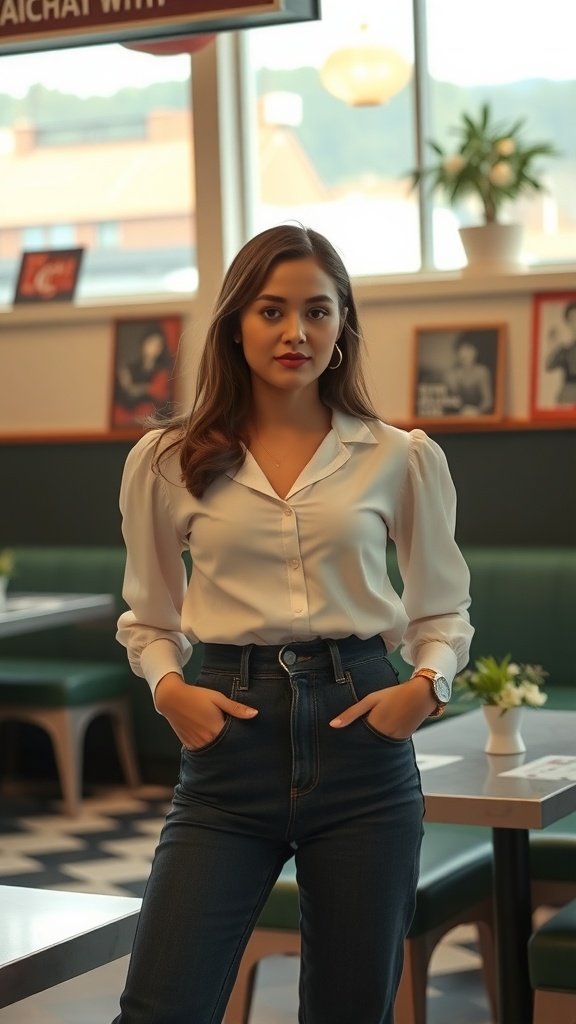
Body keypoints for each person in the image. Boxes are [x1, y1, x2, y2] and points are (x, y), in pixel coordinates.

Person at [112, 224, 474, 1024]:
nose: (295, 333)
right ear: (236, 322)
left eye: (317, 311)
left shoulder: (399, 456)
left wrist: (426, 687)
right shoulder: (167, 460)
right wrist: (169, 690)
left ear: (343, 325)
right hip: (227, 746)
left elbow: (441, 607)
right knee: (160, 1008)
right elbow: (149, 617)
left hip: (364, 744)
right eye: (272, 311)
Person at [114, 323, 174, 423]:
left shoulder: (162, 371)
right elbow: (127, 394)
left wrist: (143, 388)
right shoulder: (130, 368)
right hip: (130, 418)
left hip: (153, 420)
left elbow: (160, 395)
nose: (155, 348)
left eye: (159, 345)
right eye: (151, 343)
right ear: (143, 343)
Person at [443, 331, 494, 415]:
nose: (464, 354)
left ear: (476, 351)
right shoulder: (452, 374)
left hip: (479, 417)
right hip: (457, 417)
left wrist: (477, 411)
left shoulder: (482, 371)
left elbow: (488, 401)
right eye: (461, 349)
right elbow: (448, 402)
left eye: (468, 349)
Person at [545, 300, 576, 405]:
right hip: (569, 393)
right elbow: (549, 365)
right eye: (573, 319)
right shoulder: (565, 350)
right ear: (568, 322)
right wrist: (553, 346)